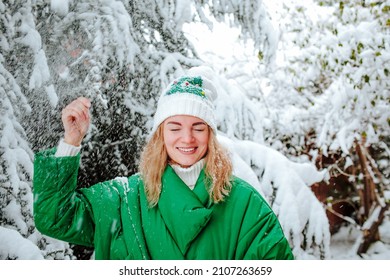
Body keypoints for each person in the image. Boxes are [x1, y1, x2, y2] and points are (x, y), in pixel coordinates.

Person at [33, 66, 294, 260]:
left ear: (211, 135)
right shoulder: (124, 200)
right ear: (160, 134)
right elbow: (56, 217)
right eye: (175, 127)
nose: (187, 138)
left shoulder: (244, 204)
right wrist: (71, 141)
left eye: (198, 127)